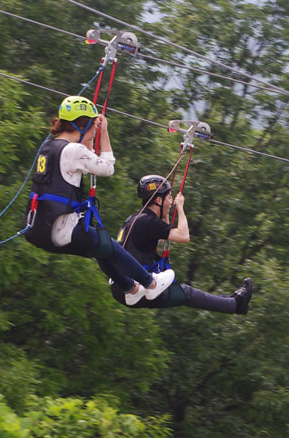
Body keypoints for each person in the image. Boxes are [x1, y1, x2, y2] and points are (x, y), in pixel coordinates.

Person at [24, 96, 173, 306]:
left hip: (40, 230)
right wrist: (104, 132)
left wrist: (87, 141)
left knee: (102, 249)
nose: (95, 130)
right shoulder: (74, 151)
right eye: (93, 126)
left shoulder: (49, 148)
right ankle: (150, 284)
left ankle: (131, 288)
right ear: (83, 125)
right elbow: (107, 167)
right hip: (65, 232)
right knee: (108, 246)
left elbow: (74, 169)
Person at [113, 175, 252, 314]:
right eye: (168, 197)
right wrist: (180, 208)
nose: (171, 201)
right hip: (133, 289)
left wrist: (165, 214)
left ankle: (231, 301)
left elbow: (162, 238)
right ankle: (236, 304)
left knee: (182, 292)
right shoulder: (148, 222)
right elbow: (184, 236)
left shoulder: (135, 219)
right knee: (185, 293)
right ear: (158, 200)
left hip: (122, 286)